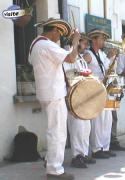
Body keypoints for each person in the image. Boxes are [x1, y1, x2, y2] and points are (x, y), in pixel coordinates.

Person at [29, 18, 80, 180]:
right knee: (57, 133)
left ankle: (49, 161)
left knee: (53, 130)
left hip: (46, 93)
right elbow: (72, 58)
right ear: (55, 31)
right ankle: (54, 170)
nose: (59, 38)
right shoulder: (47, 45)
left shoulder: (34, 44)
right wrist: (76, 41)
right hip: (54, 93)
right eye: (59, 34)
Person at [64, 34, 96, 169]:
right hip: (73, 96)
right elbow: (69, 76)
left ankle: (83, 154)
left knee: (85, 128)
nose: (86, 46)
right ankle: (76, 157)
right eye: (84, 43)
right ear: (76, 43)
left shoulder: (82, 58)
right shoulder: (68, 56)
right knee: (77, 128)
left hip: (84, 96)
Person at [86, 29, 116, 159]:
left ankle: (105, 146)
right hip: (95, 89)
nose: (104, 41)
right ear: (94, 40)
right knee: (97, 121)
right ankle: (96, 149)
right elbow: (82, 68)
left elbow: (108, 67)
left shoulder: (102, 54)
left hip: (106, 89)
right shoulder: (88, 54)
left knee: (107, 119)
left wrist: (112, 58)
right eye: (101, 39)